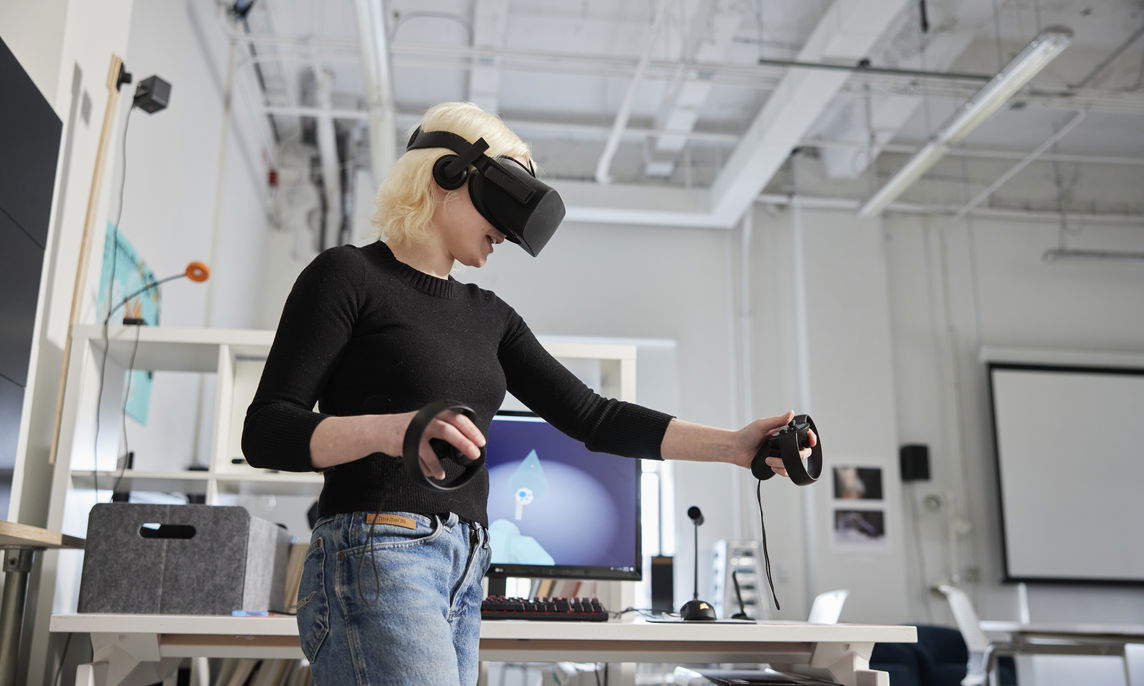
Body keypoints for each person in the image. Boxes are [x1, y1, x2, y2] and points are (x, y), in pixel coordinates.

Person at [242, 101, 814, 686]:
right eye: (508, 197)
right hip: (379, 551)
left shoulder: (490, 317)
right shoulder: (348, 276)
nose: (510, 237)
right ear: (449, 177)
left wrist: (739, 448)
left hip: (465, 567)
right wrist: (393, 430)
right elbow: (266, 431)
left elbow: (593, 416)